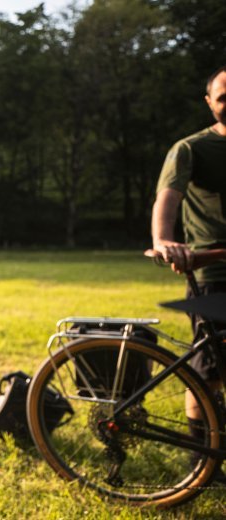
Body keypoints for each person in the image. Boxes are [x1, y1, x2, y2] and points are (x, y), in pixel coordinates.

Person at [152, 64, 226, 464]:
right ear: (209, 102)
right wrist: (163, 240)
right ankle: (203, 462)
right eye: (223, 96)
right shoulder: (192, 148)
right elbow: (168, 197)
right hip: (214, 273)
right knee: (208, 371)